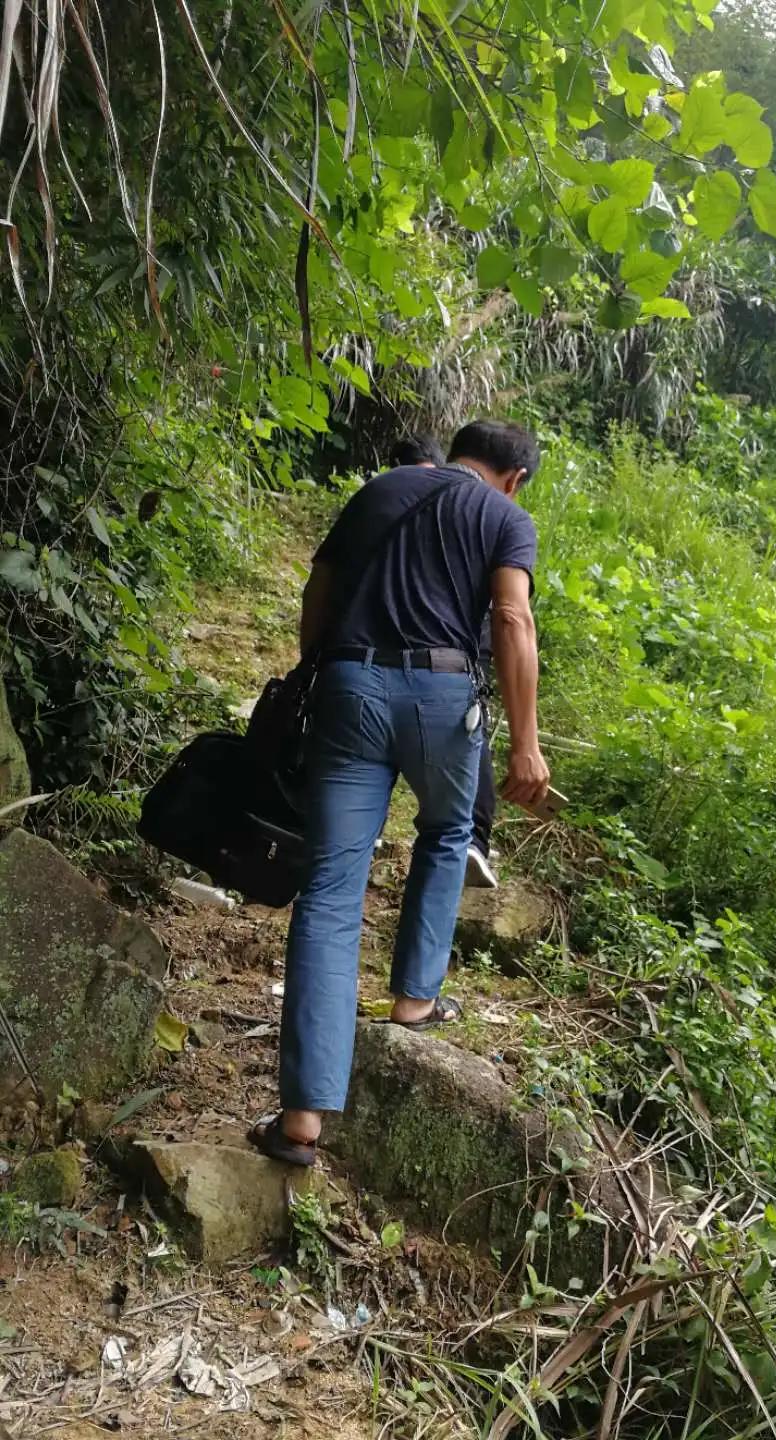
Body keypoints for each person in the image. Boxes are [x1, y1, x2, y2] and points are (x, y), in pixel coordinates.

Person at [249, 420, 549, 1165]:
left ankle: (301, 1123)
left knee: (330, 889)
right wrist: (525, 741)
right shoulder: (505, 517)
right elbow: (511, 616)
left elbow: (319, 590)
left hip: (352, 685)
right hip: (444, 698)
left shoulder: (381, 489)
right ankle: (415, 999)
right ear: (514, 476)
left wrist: (319, 670)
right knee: (448, 833)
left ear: (457, 451)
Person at [381, 432, 499, 888]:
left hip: (452, 638)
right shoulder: (476, 505)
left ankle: (471, 838)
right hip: (426, 639)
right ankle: (466, 838)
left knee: (467, 722)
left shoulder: (458, 504)